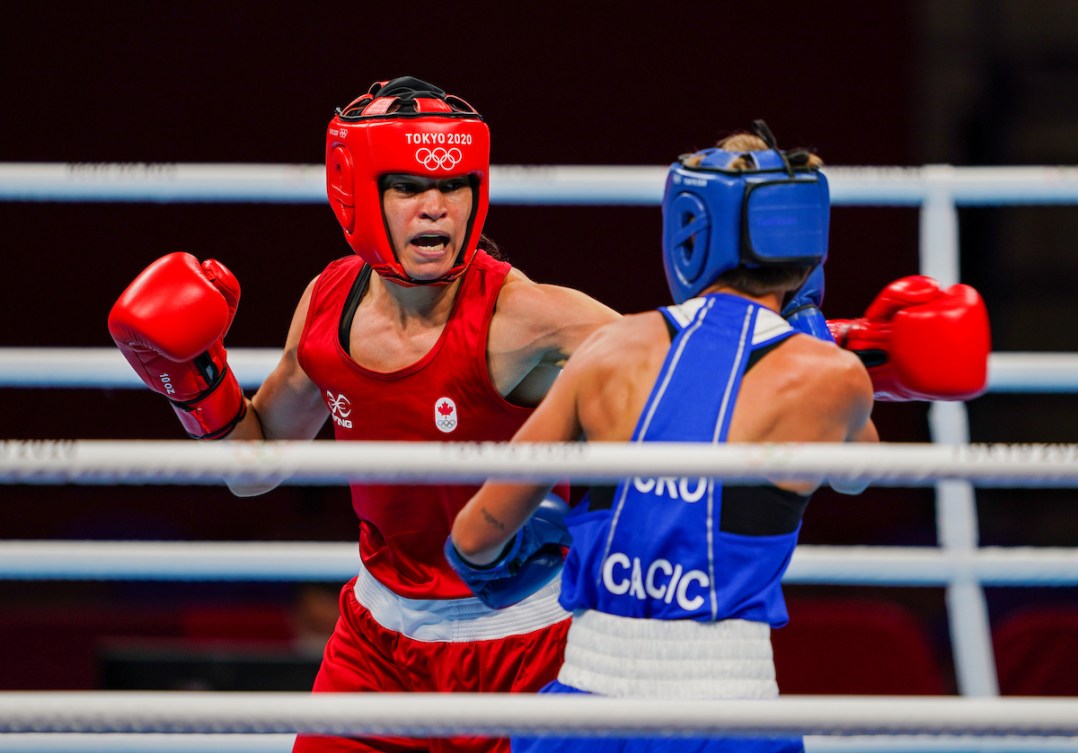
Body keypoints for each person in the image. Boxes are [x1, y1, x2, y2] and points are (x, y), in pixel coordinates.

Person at [107, 76, 621, 753]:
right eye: (408, 186)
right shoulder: (327, 304)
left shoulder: (520, 315)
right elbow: (254, 468)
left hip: (527, 644)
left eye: (455, 184)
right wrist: (194, 384)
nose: (436, 208)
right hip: (379, 647)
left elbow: (673, 368)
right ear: (358, 189)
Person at [448, 124, 988, 753]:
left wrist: (533, 549)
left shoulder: (607, 351)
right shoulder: (832, 380)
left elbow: (473, 538)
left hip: (587, 699)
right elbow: (857, 474)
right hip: (728, 708)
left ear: (689, 227)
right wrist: (819, 334)